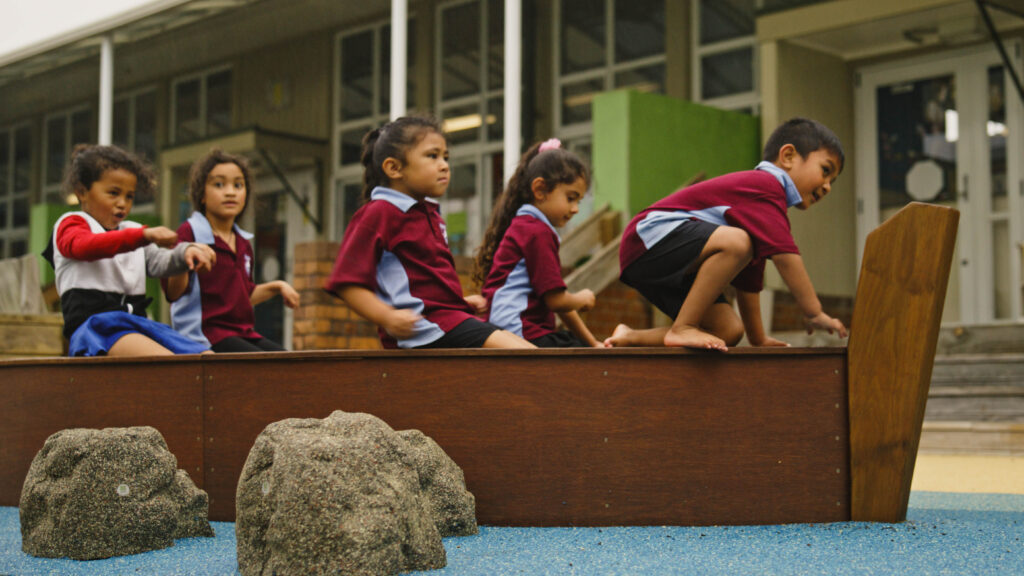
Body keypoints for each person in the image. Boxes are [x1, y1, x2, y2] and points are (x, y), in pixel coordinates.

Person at [606, 117, 849, 351]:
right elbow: (785, 257)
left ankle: (631, 337)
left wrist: (758, 338)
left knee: (727, 331)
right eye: (825, 170)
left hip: (664, 260)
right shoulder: (764, 186)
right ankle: (684, 326)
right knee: (737, 242)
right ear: (788, 156)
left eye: (833, 181)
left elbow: (748, 280)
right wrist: (814, 312)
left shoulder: (763, 210)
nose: (827, 186)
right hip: (647, 238)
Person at [325, 115, 534, 349]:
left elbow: (423, 287)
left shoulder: (428, 214)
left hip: (446, 322)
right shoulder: (379, 213)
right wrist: (388, 318)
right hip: (425, 329)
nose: (444, 165)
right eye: (432, 156)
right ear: (394, 168)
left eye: (446, 157)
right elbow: (346, 283)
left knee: (525, 355)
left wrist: (460, 303)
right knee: (527, 356)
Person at [44, 144, 216, 357]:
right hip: (98, 329)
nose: (122, 204)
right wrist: (143, 236)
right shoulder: (71, 224)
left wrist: (186, 252)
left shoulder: (132, 231)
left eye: (129, 196)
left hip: (137, 325)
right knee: (173, 366)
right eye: (114, 193)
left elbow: (160, 261)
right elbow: (86, 247)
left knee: (207, 358)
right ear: (82, 192)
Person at [163, 150, 300, 353]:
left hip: (242, 333)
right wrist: (184, 256)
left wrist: (278, 287)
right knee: (270, 369)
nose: (230, 192)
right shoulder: (190, 232)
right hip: (204, 336)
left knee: (292, 363)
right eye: (219, 184)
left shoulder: (243, 242)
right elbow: (173, 293)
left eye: (238, 185)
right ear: (201, 194)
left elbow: (243, 295)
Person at [475, 138, 603, 348]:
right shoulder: (538, 233)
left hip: (509, 329)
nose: (575, 209)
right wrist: (582, 298)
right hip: (520, 331)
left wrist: (591, 343)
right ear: (540, 190)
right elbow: (558, 301)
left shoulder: (526, 227)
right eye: (570, 198)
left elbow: (558, 300)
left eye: (578, 201)